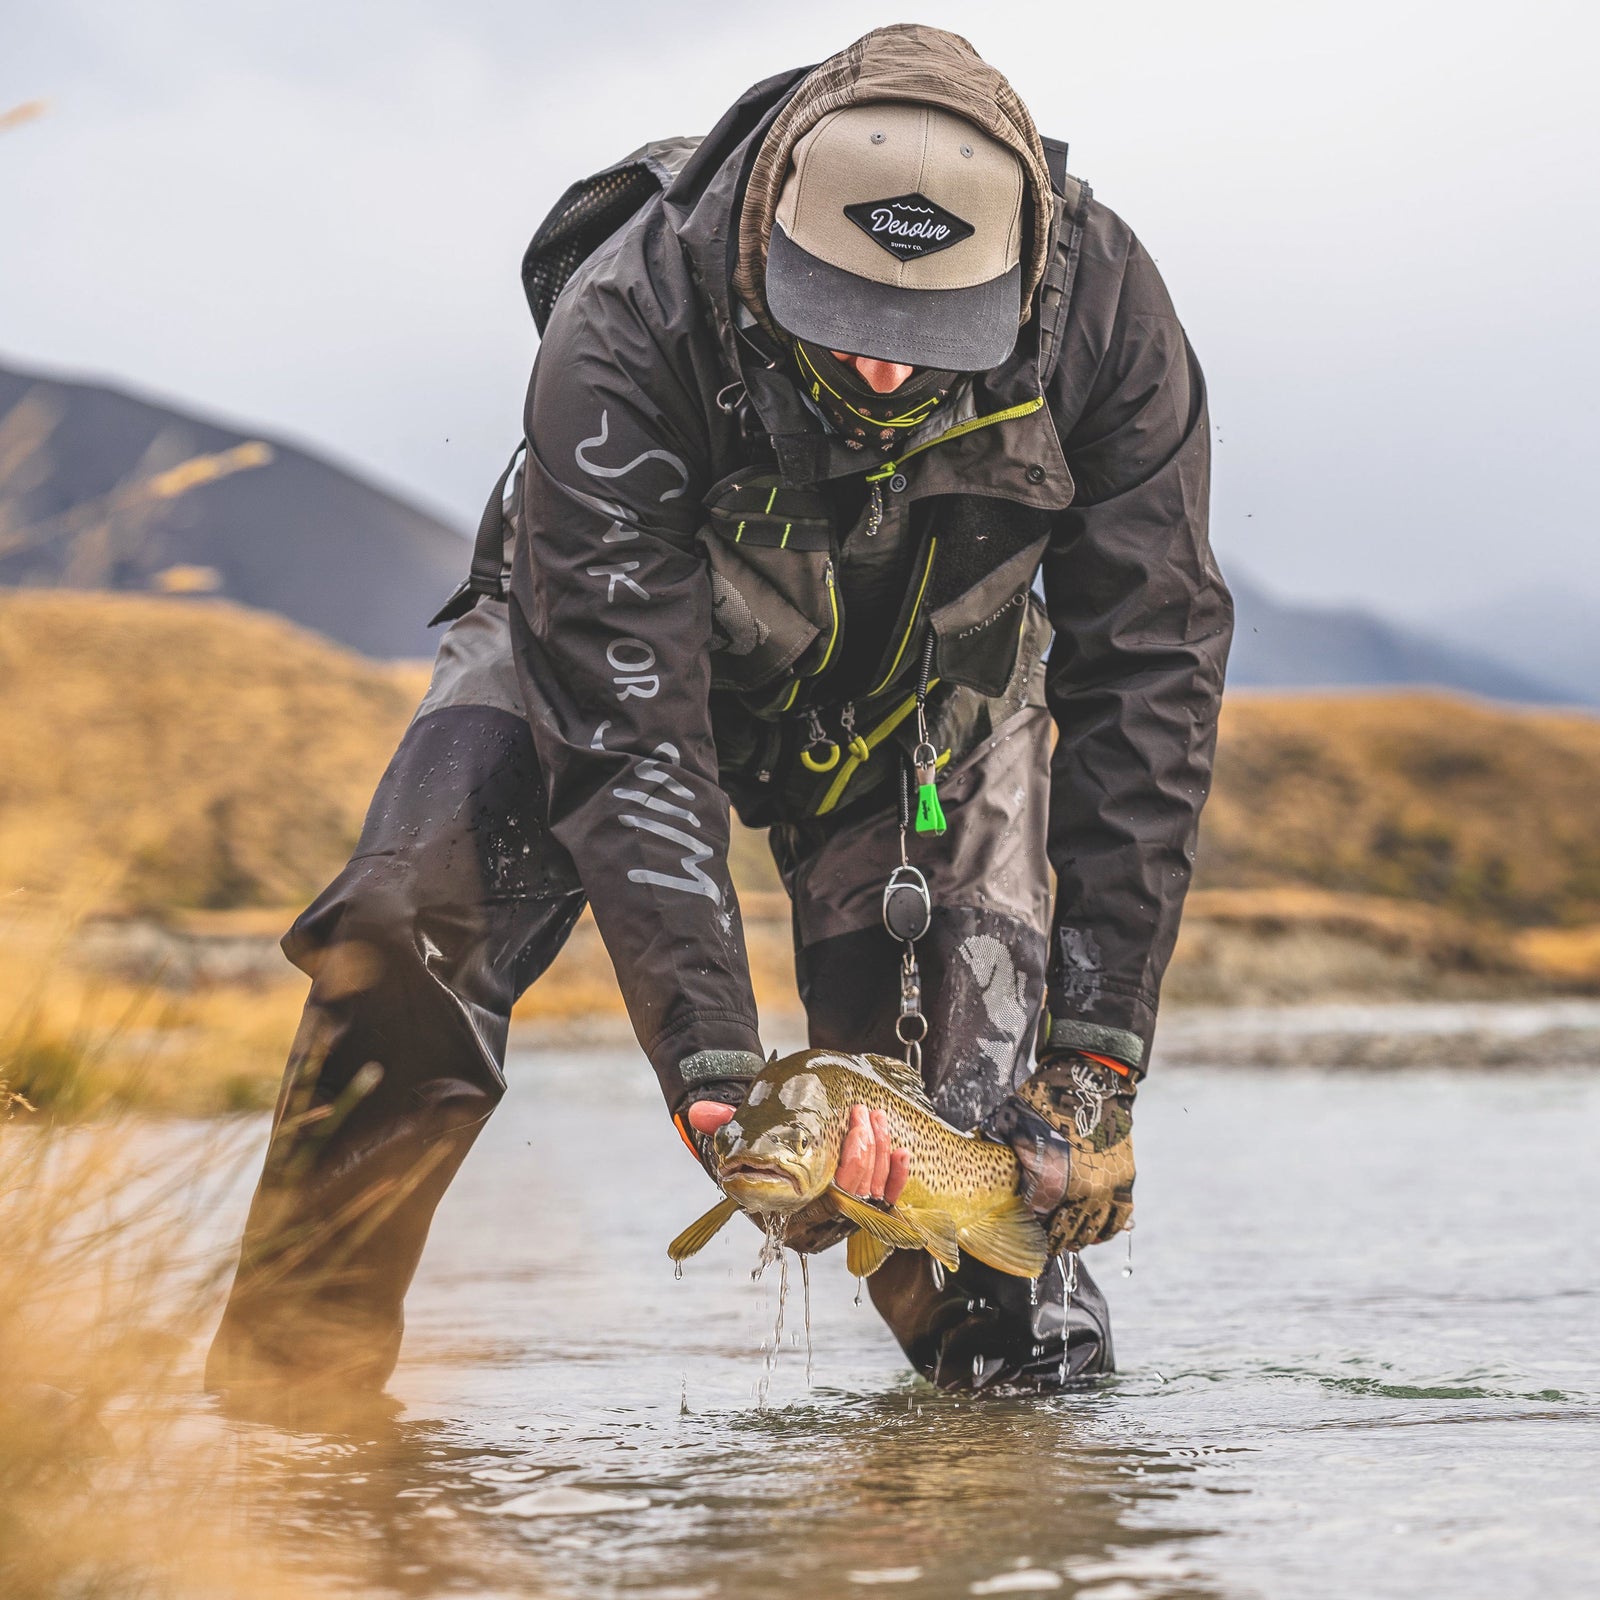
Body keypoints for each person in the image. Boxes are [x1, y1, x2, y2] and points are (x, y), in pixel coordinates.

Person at [207, 23, 1230, 1399]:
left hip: (928, 713)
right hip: (587, 652)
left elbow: (1148, 673)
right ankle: (285, 1415)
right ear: (775, 248)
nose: (883, 370)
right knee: (404, 933)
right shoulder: (627, 320)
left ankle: (1012, 1508)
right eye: (851, 322)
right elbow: (632, 739)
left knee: (992, 1213)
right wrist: (713, 1073)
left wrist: (1099, 1051)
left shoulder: (1109, 318)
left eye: (924, 336)